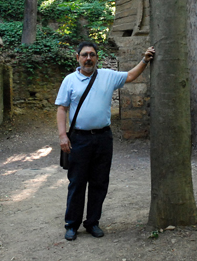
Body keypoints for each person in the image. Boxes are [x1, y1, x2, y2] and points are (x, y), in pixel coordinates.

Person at [55, 41, 155, 241]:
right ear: (78, 58)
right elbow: (61, 108)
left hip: (103, 138)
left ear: (97, 58)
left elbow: (131, 75)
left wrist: (144, 60)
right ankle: (72, 225)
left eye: (92, 54)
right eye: (84, 55)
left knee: (99, 182)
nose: (88, 58)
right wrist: (63, 135)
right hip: (79, 139)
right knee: (77, 183)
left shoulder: (108, 76)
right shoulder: (69, 80)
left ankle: (92, 222)